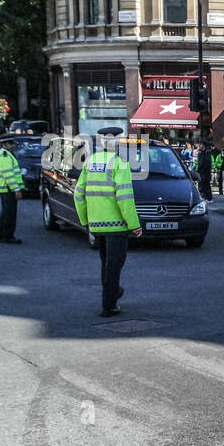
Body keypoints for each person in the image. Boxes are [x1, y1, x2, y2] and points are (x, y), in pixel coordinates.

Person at [73, 129, 142, 318]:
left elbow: (78, 193)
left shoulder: (90, 162)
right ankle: (109, 305)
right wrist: (134, 224)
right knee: (114, 266)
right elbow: (125, 198)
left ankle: (111, 294)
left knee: (105, 264)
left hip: (97, 226)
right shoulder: (120, 164)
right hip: (117, 226)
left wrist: (85, 220)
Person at [0, 137, 23, 244]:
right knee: (9, 213)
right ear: (4, 144)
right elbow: (9, 175)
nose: (13, 145)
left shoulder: (5, 154)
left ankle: (3, 234)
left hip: (6, 189)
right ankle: (7, 236)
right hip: (8, 189)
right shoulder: (4, 156)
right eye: (10, 143)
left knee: (6, 212)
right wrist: (16, 189)